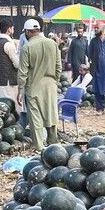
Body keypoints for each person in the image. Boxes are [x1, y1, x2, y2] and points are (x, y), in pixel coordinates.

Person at [18, 19, 62, 149]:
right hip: (50, 84)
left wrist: (21, 90)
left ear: (28, 32)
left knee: (35, 116)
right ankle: (53, 142)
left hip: (34, 85)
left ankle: (38, 145)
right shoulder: (53, 44)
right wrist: (55, 81)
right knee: (51, 113)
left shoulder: (27, 48)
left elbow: (23, 72)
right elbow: (58, 67)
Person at [0, 19, 20, 110]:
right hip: (10, 80)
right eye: (12, 28)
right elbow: (17, 64)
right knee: (13, 106)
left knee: (3, 105)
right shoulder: (8, 44)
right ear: (9, 29)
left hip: (1, 79)